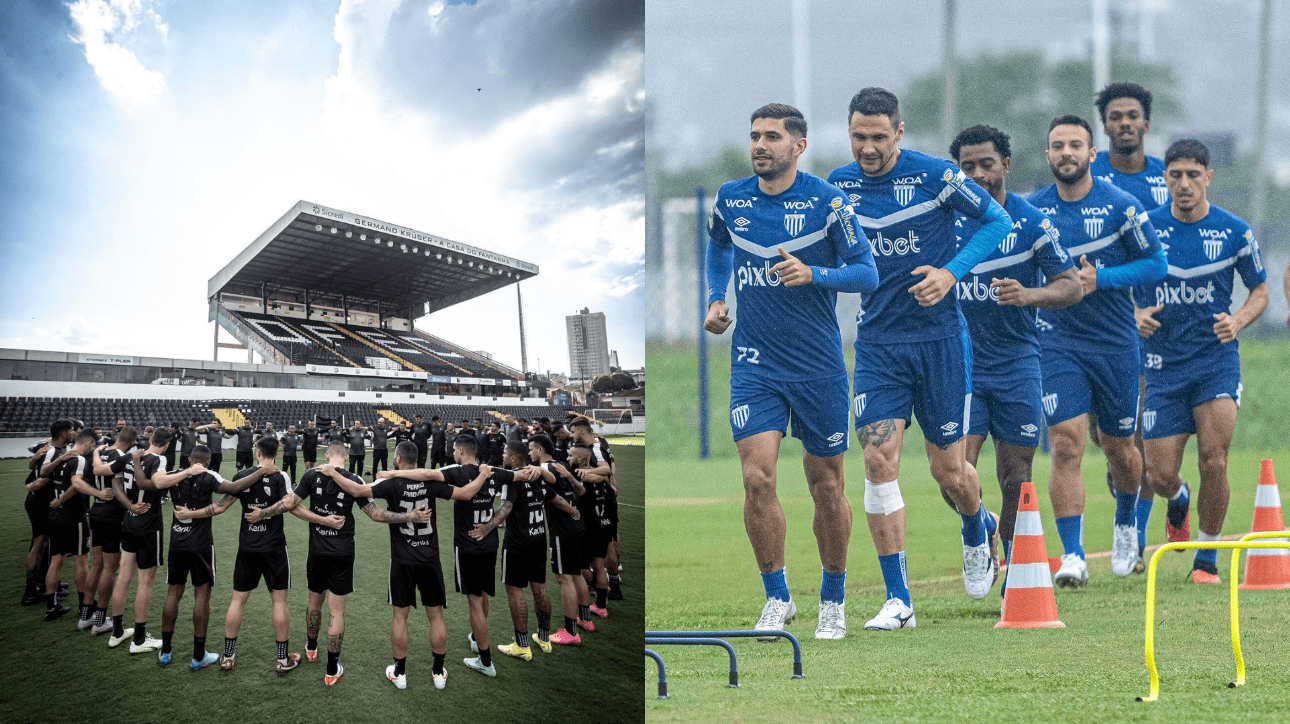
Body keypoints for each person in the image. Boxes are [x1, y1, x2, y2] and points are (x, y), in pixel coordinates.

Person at [827, 87, 1011, 629]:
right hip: (880, 346)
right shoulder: (838, 185)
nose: (867, 147)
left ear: (900, 133)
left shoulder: (936, 176)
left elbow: (996, 222)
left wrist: (951, 272)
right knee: (878, 461)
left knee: (950, 473)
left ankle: (978, 528)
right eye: (858, 136)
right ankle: (899, 599)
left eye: (878, 137)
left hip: (941, 344)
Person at [706, 102, 878, 639]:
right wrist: (716, 297)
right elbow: (718, 246)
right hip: (755, 364)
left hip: (818, 365)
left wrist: (815, 273)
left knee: (826, 484)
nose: (760, 144)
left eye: (773, 137)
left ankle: (832, 597)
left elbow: (867, 272)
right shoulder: (731, 198)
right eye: (754, 135)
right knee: (757, 478)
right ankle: (777, 598)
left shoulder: (829, 203)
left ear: (798, 147)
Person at [1027, 114, 1166, 585]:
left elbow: (1156, 264)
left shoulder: (1121, 207)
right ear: (1047, 155)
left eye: (1075, 145)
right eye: (1057, 145)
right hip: (1056, 342)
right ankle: (1073, 556)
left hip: (1115, 344)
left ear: (1092, 154)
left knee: (1121, 448)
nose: (1066, 152)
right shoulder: (1032, 212)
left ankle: (1127, 522)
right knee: (1065, 442)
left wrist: (1100, 279)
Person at [946, 124, 1082, 589]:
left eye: (987, 164)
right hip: (960, 366)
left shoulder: (1031, 222)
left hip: (1018, 364)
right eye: (968, 167)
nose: (979, 174)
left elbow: (1072, 285)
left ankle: (1012, 575)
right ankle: (978, 525)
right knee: (952, 471)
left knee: (1015, 474)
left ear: (1006, 164)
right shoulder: (946, 220)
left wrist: (1030, 295)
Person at [1137, 139, 1268, 583]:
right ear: (1165, 178)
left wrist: (1239, 320)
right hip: (1161, 367)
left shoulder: (1233, 231)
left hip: (1215, 362)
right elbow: (1114, 283)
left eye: (1194, 175)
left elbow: (1260, 292)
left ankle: (1207, 559)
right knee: (1157, 474)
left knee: (1215, 459)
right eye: (1176, 175)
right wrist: (1134, 314)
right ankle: (1178, 500)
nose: (1185, 184)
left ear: (1208, 177)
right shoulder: (1144, 229)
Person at [331, 441, 494, 690]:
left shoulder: (391, 483)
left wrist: (331, 471)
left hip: (402, 560)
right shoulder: (430, 482)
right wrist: (483, 475)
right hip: (430, 559)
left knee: (400, 615)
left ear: (397, 458)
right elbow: (466, 493)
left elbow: (356, 489)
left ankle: (400, 673)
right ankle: (438, 673)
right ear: (418, 460)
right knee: (436, 616)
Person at [1092, 81, 1172, 559]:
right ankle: (1163, 503)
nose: (1124, 122)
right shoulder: (1089, 176)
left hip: (1161, 324)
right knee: (1108, 443)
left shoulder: (1170, 177)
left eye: (1132, 114)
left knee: (1133, 438)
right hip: (1105, 322)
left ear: (1146, 123)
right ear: (1104, 125)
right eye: (1115, 115)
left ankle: (1135, 541)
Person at [154, 446, 273, 670]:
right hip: (200, 544)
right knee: (201, 596)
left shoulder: (174, 475)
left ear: (190, 459)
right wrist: (261, 471)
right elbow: (235, 487)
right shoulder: (209, 476)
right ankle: (198, 657)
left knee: (173, 593)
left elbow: (154, 482)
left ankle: (166, 652)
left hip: (177, 542)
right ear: (208, 462)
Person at [263, 442, 371, 685]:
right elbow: (374, 512)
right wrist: (409, 516)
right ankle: (332, 669)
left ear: (326, 455)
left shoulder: (311, 474)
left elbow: (290, 504)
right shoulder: (354, 479)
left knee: (314, 602)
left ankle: (311, 647)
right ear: (345, 456)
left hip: (317, 552)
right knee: (337, 611)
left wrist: (262, 513)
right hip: (343, 552)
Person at [214, 436, 308, 675]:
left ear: (257, 452)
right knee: (279, 601)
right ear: (276, 453)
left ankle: (228, 656)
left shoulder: (241, 477)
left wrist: (190, 513)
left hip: (247, 547)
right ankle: (282, 660)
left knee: (237, 600)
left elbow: (221, 505)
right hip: (274, 548)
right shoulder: (280, 475)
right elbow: (289, 504)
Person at [489, 441, 573, 659]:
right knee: (540, 587)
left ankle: (522, 644)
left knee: (515, 589)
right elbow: (558, 499)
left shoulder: (513, 478)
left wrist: (487, 527)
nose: (503, 456)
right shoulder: (538, 477)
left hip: (517, 543)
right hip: (538, 540)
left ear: (515, 458)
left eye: (506, 453)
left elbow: (505, 508)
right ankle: (544, 638)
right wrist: (574, 511)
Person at [106, 427, 174, 654]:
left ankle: (116, 633)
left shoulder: (129, 455)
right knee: (145, 582)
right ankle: (139, 640)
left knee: (123, 577)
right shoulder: (159, 459)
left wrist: (129, 506)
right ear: (166, 444)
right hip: (148, 526)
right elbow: (155, 483)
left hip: (128, 521)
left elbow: (115, 482)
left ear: (151, 439)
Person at [42, 430, 111, 621]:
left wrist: (57, 501)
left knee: (56, 560)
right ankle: (84, 605)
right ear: (88, 443)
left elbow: (44, 473)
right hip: (73, 516)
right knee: (81, 560)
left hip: (55, 516)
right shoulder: (79, 460)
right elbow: (77, 484)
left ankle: (51, 607)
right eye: (92, 445)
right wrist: (98, 494)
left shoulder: (60, 456)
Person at [528, 434, 586, 645]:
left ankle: (570, 632)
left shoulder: (548, 469)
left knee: (564, 577)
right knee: (575, 572)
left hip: (562, 528)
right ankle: (585, 619)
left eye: (531, 449)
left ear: (540, 450)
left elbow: (552, 484)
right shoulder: (563, 465)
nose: (529, 453)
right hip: (576, 525)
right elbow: (581, 489)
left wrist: (539, 471)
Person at [85, 426, 140, 634]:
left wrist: (97, 452)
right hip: (112, 515)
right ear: (133, 442)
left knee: (97, 564)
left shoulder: (100, 452)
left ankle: (85, 616)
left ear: (118, 436)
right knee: (110, 568)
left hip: (96, 510)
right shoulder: (122, 457)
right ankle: (100, 621)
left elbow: (94, 472)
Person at [21, 419, 76, 606]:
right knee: (38, 545)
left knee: (43, 544)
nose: (74, 433)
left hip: (39, 500)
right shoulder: (55, 452)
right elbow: (44, 478)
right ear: (63, 433)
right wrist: (33, 486)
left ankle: (42, 584)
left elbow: (32, 465)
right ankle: (30, 592)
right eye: (71, 430)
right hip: (40, 501)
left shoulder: (47, 447)